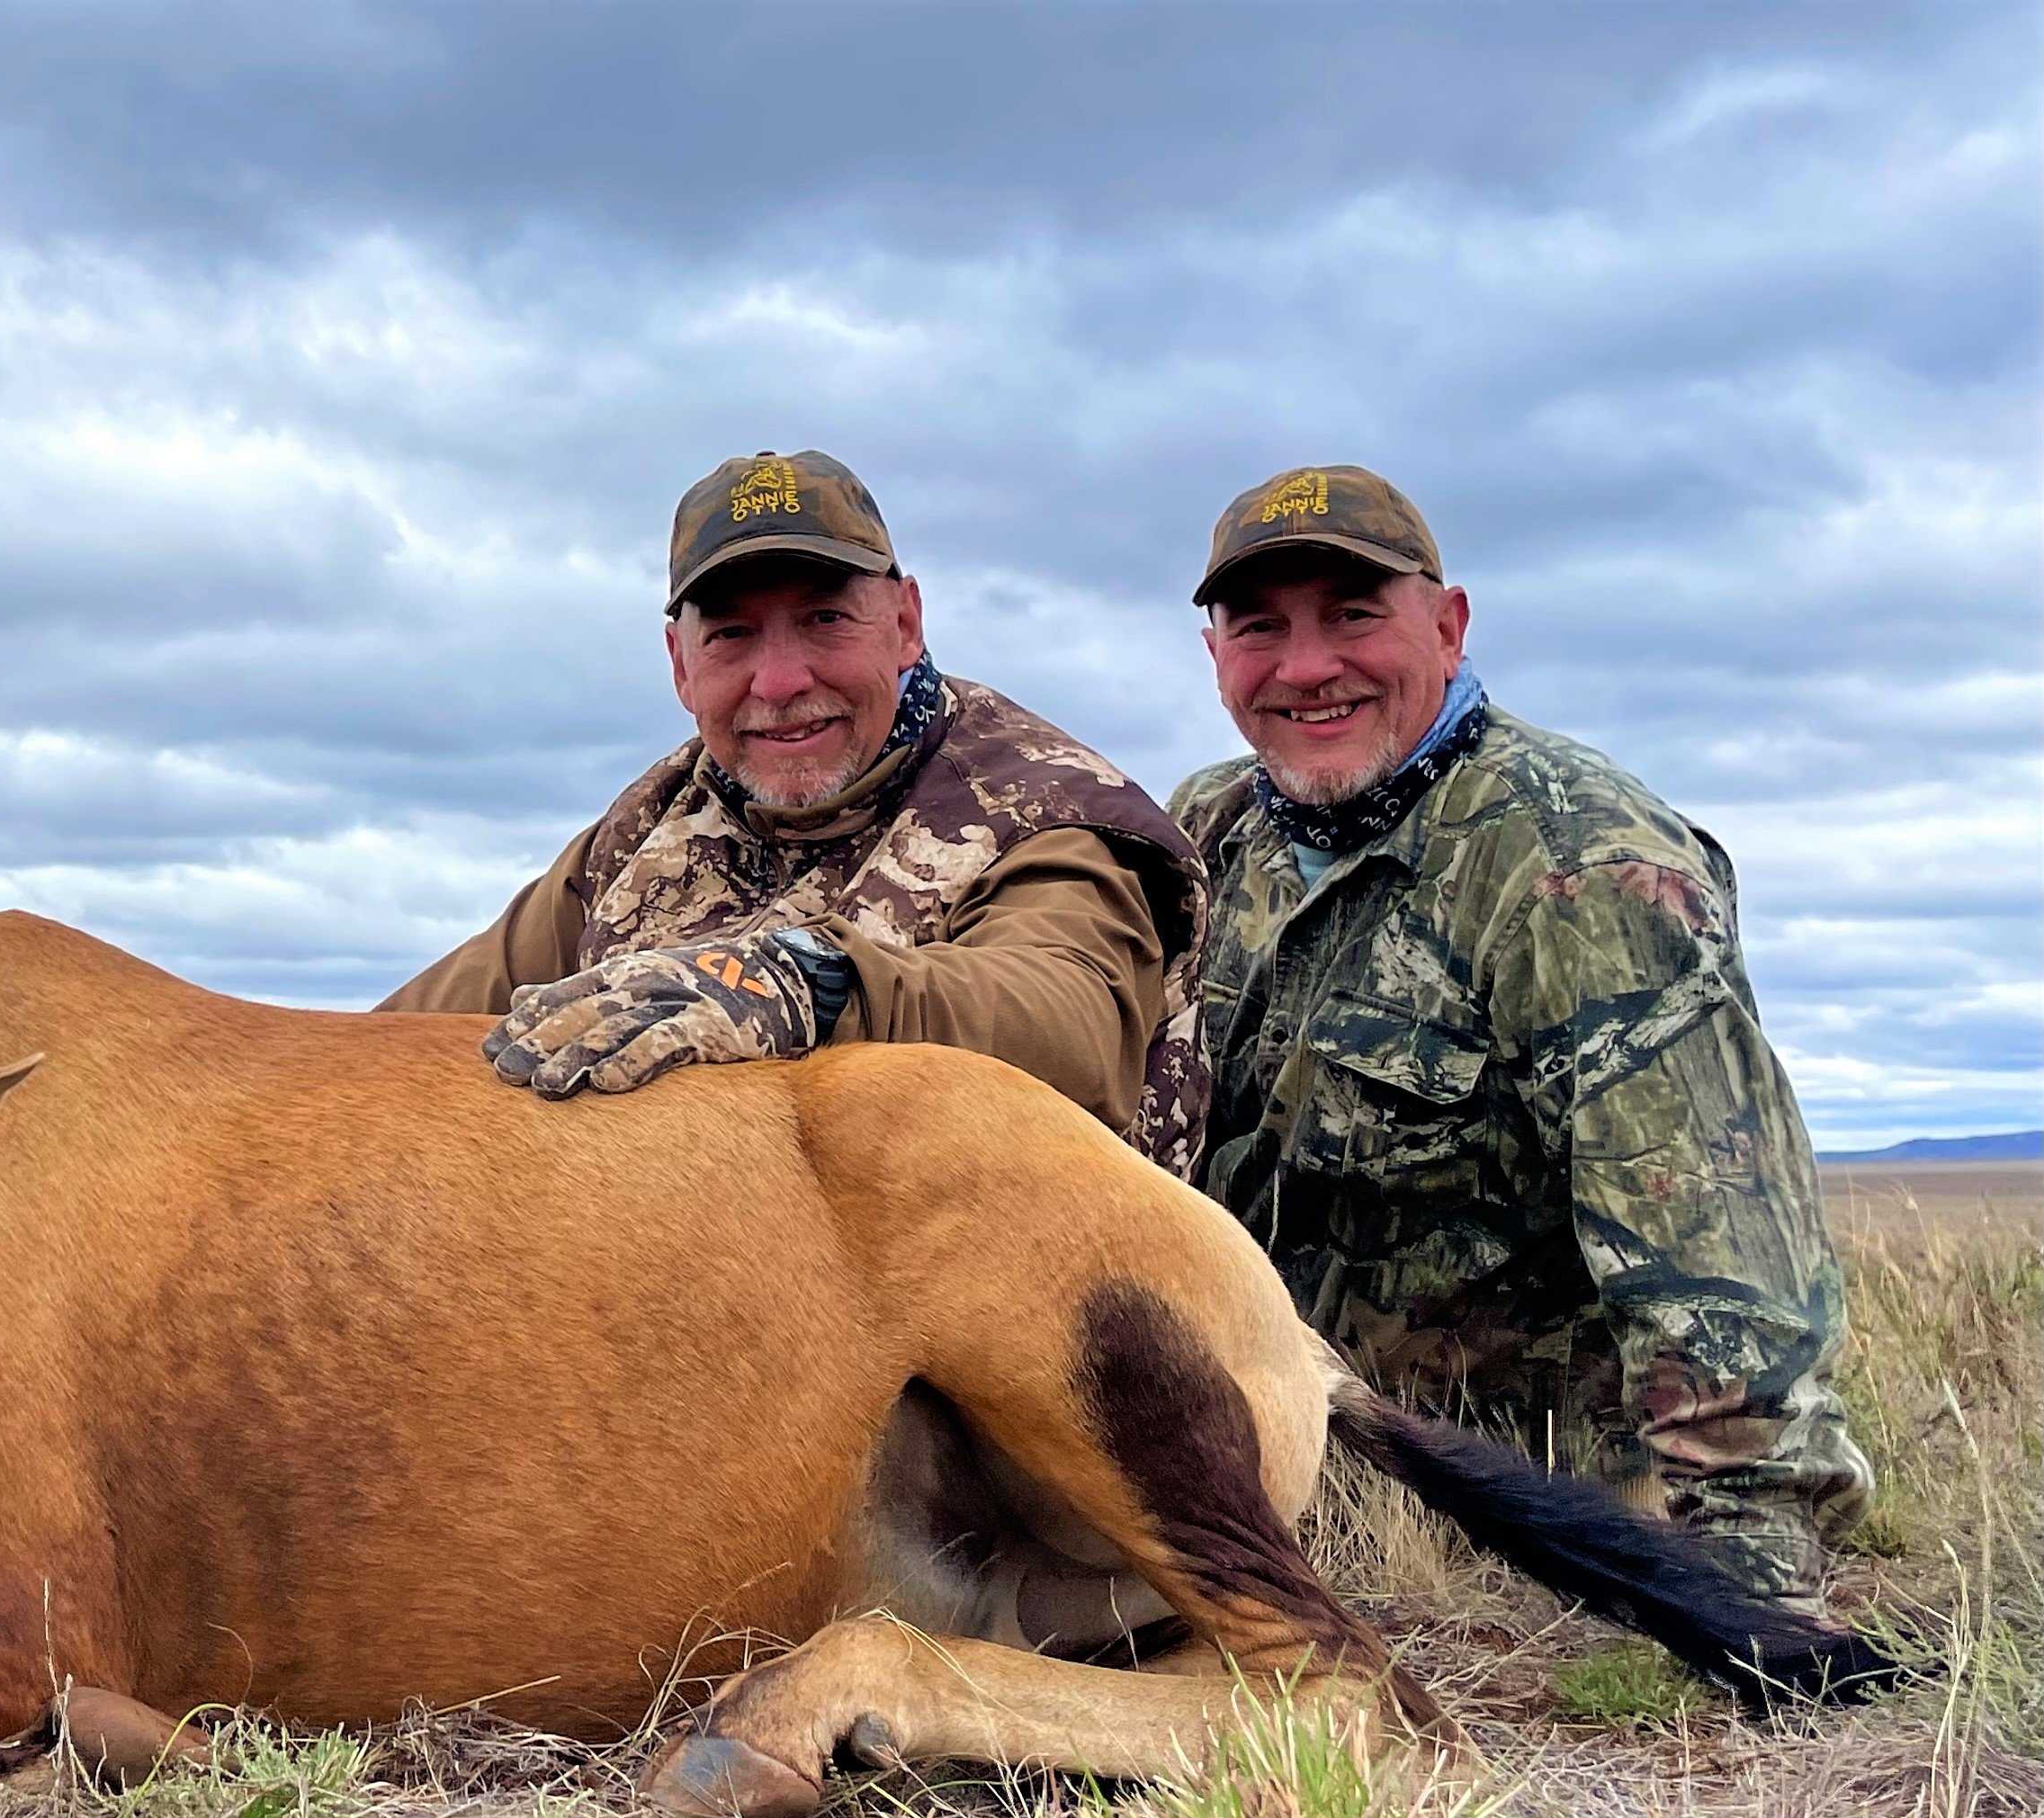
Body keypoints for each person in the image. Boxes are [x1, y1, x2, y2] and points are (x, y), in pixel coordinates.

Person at [1171, 463, 1870, 1609]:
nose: (1305, 666)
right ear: (1216, 660)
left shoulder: (1583, 868)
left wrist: (1738, 1586)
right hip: (1279, 1470)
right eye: (1261, 628)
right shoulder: (1205, 828)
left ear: (1446, 630)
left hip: (1513, 1507)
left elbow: (1715, 1249)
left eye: (1352, 614)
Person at [382, 450, 1211, 1169]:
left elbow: (1072, 1031)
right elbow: (402, 1039)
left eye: (824, 619)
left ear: (905, 624)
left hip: (1016, 1317)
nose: (778, 683)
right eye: (731, 636)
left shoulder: (1044, 808)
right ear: (679, 664)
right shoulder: (647, 826)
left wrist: (802, 987)